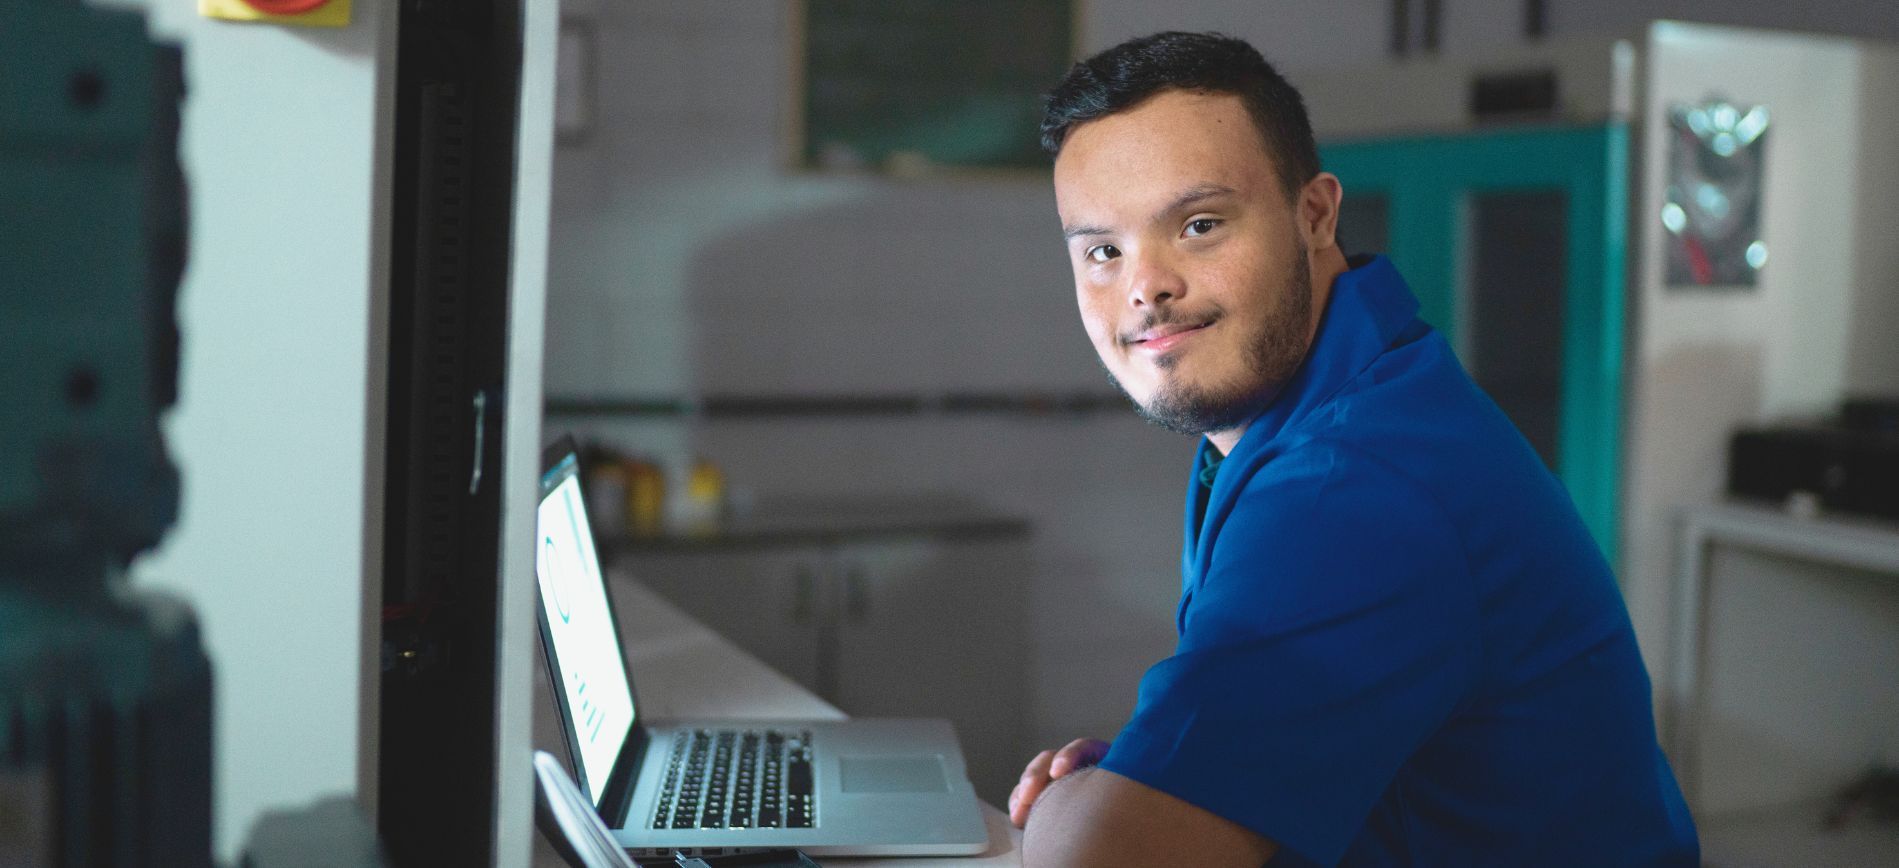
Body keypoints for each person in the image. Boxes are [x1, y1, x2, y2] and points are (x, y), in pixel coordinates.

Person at [1008, 31, 1699, 867]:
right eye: (1101, 251)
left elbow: (1105, 858)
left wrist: (1075, 802)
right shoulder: (1316, 406)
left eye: (1197, 225)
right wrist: (1141, 782)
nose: (1144, 286)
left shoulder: (1350, 486)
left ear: (1315, 214)